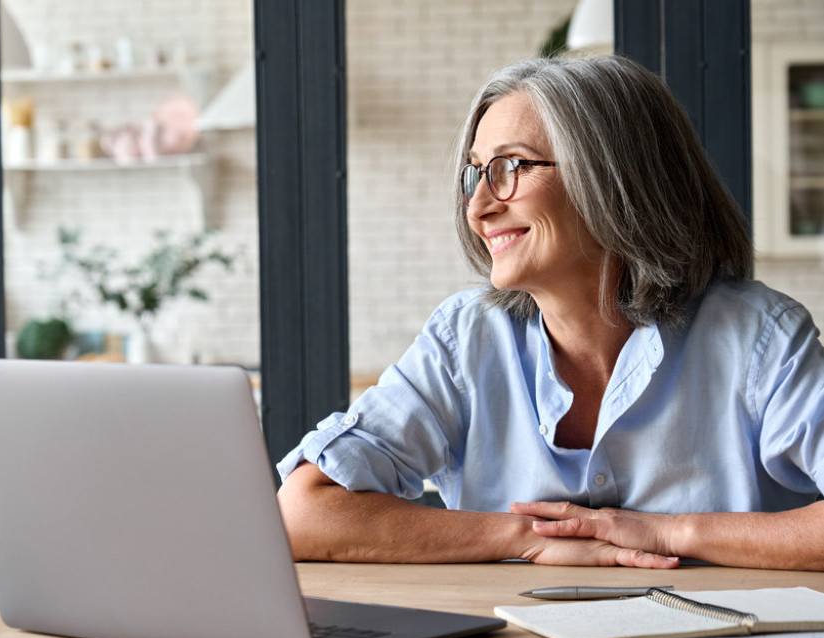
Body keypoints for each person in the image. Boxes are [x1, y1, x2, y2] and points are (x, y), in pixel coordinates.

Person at [276, 55, 824, 570]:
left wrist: (668, 532)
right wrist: (529, 539)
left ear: (616, 177)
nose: (478, 206)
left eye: (511, 167)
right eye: (475, 173)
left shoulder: (760, 339)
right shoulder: (467, 338)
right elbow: (302, 511)